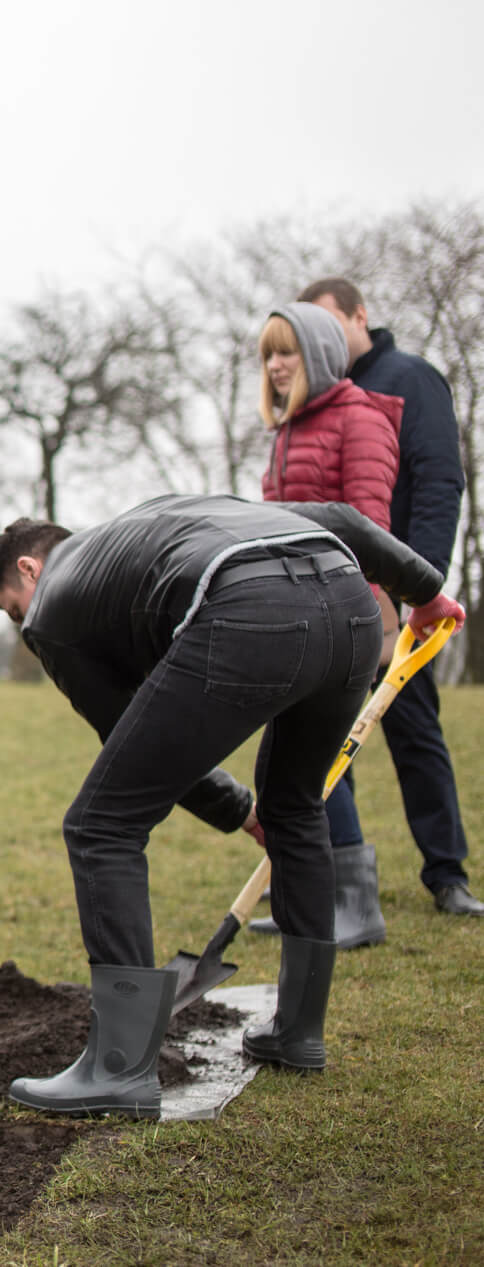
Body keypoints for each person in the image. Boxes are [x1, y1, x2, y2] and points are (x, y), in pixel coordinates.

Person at [0, 494, 463, 1118]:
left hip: (248, 612)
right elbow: (342, 520)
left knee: (101, 824)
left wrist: (232, 808)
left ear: (28, 570)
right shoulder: (176, 515)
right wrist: (424, 594)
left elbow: (124, 727)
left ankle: (119, 1068)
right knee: (295, 808)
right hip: (352, 611)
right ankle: (298, 1033)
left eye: (14, 612)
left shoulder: (52, 605)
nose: (27, 627)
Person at [286, 278, 478, 918]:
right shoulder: (314, 397)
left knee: (413, 729)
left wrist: (418, 584)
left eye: (328, 323)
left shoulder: (409, 378)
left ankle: (447, 875)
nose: (317, 340)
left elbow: (437, 482)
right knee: (321, 742)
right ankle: (335, 884)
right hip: (328, 600)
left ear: (360, 315)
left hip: (396, 597)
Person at [251, 301, 402, 947]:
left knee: (321, 761)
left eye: (285, 352)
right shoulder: (288, 428)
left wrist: (370, 616)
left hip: (343, 616)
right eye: (267, 355)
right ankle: (303, 897)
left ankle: (354, 904)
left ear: (316, 355)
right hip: (293, 616)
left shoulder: (358, 419)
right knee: (290, 764)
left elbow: (369, 526)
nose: (276, 366)